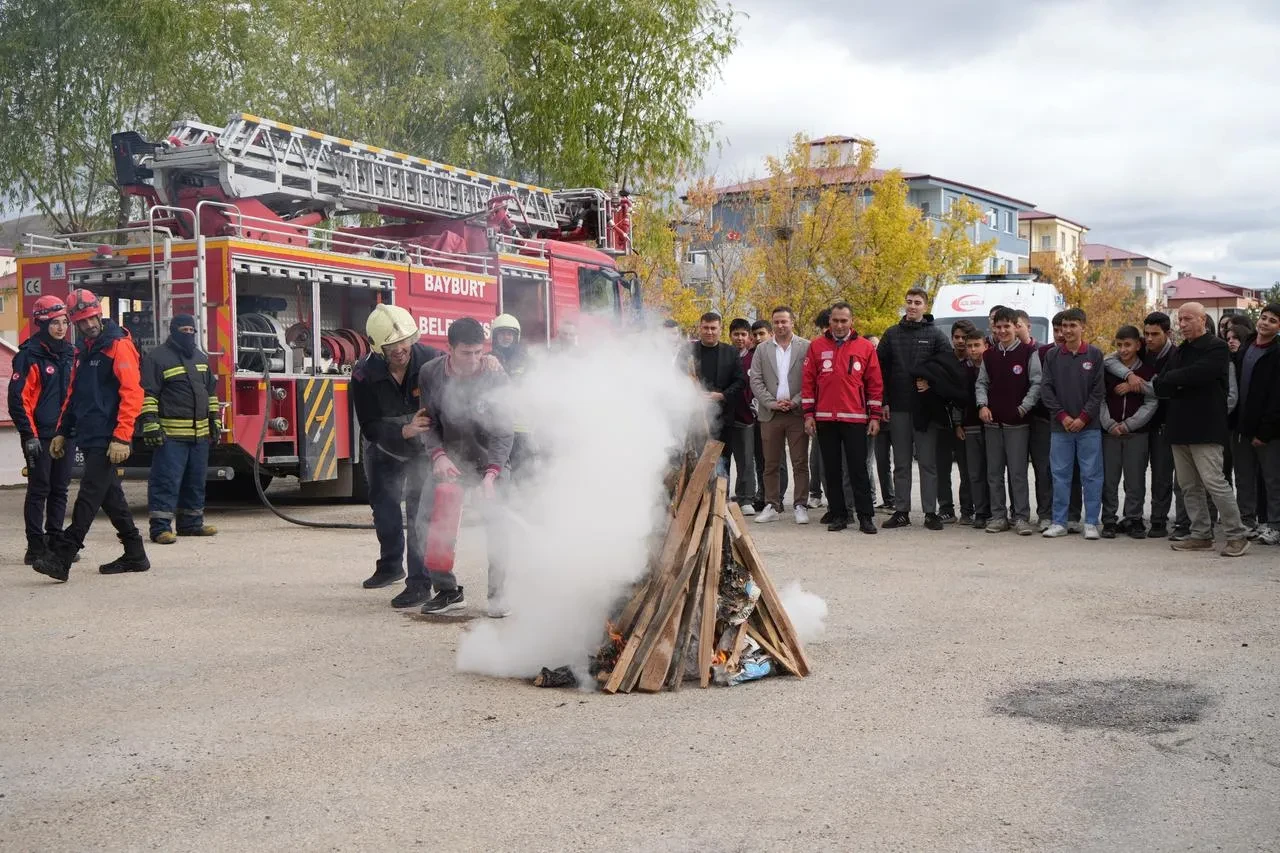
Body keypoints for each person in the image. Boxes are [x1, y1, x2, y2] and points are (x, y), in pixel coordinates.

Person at [33, 289, 150, 581]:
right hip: (90, 434)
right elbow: (74, 394)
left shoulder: (118, 345)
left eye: (91, 318)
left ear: (99, 313)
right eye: (81, 321)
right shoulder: (85, 350)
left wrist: (122, 437)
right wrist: (62, 431)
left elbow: (133, 393)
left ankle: (63, 555)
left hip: (109, 438)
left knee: (88, 495)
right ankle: (135, 553)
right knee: (110, 497)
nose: (88, 325)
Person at [418, 317, 515, 614]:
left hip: (490, 462)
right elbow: (427, 422)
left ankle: (497, 596)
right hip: (451, 462)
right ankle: (447, 591)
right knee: (428, 523)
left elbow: (504, 430)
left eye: (478, 352)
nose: (473, 360)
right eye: (466, 353)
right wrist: (438, 455)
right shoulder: (430, 373)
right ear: (449, 349)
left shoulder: (496, 377)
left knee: (499, 528)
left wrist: (492, 475)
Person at [351, 303, 444, 602]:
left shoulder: (433, 360)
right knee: (385, 509)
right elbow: (369, 427)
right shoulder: (363, 375)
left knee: (419, 513)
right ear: (378, 347)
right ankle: (390, 566)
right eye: (391, 345)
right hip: (383, 448)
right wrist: (404, 430)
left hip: (423, 450)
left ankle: (419, 583)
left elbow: (460, 379)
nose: (400, 350)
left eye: (404, 341)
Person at [1153, 302, 1249, 556]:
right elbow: (1160, 384)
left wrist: (1177, 380)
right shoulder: (1180, 350)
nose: (1182, 324)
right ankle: (1201, 534)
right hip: (1178, 427)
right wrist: (1180, 380)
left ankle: (1237, 535)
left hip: (1206, 427)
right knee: (1188, 486)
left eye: (1188, 319)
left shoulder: (1217, 347)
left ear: (1202, 320)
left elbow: (1200, 373)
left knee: (1214, 482)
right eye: (1180, 319)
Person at [139, 314, 220, 544]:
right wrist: (151, 424)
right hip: (171, 436)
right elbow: (148, 394)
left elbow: (210, 393)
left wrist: (214, 419)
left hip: (199, 435)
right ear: (173, 331)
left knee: (195, 482)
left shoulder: (201, 358)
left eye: (191, 330)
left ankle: (191, 524)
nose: (189, 334)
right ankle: (160, 529)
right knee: (166, 482)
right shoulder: (157, 358)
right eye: (184, 330)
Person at [802, 302, 882, 534]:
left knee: (858, 470)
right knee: (831, 470)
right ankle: (839, 515)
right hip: (825, 418)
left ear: (851, 321)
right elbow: (808, 382)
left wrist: (875, 416)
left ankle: (865, 516)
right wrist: (809, 415)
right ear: (829, 321)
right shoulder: (816, 346)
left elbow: (875, 383)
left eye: (843, 321)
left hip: (855, 418)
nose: (839, 325)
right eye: (835, 320)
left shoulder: (865, 347)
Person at [877, 287, 951, 530]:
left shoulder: (936, 335)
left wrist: (931, 382)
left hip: (925, 409)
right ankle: (901, 511)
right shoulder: (891, 334)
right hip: (898, 407)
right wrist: (883, 401)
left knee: (928, 462)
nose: (912, 306)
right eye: (909, 301)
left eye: (917, 302)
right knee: (901, 463)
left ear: (925, 306)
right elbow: (879, 371)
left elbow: (948, 367)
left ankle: (930, 512)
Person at [9, 296, 73, 565]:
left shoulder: (70, 353)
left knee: (60, 489)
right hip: (40, 435)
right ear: (42, 323)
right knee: (39, 489)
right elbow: (18, 399)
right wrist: (29, 435)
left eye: (64, 322)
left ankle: (55, 540)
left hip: (64, 434)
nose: (61, 328)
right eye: (54, 323)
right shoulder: (29, 356)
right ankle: (35, 547)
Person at [1106, 311, 1178, 537]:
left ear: (1167, 333)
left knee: (1155, 476)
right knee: (1116, 478)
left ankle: (1149, 520)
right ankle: (1114, 518)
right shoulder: (1137, 352)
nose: (1149, 338)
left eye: (1154, 334)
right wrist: (1129, 375)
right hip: (1124, 429)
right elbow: (1108, 361)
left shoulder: (1174, 356)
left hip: (1156, 425)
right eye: (1146, 334)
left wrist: (1135, 385)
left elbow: (1159, 391)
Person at [975, 306, 1042, 535]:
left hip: (1018, 423)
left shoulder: (1028, 353)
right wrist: (982, 405)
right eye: (998, 327)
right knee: (994, 473)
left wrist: (1023, 408)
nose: (1002, 331)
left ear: (1016, 327)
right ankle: (998, 516)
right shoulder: (989, 355)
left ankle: (1021, 517)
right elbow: (981, 383)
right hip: (992, 423)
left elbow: (1037, 383)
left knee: (1017, 473)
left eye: (1007, 326)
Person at [1039, 307, 1104, 540]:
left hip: (1089, 428)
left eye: (1072, 325)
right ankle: (1059, 521)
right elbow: (1046, 390)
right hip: (1061, 428)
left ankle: (1091, 522)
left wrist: (1083, 418)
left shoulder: (1095, 355)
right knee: (1060, 475)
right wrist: (1063, 417)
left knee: (1091, 476)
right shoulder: (1052, 356)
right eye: (1064, 326)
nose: (1067, 330)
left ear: (1082, 327)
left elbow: (1098, 391)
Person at [750, 306, 810, 525]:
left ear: (792, 322)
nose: (780, 325)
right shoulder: (762, 349)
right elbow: (756, 379)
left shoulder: (806, 346)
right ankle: (772, 505)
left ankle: (800, 505)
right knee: (771, 463)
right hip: (770, 414)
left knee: (800, 461)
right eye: (776, 322)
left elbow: (811, 379)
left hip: (796, 413)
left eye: (784, 321)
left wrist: (795, 400)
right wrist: (771, 402)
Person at [1099, 325, 1157, 539]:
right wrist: (1109, 424)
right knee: (1109, 479)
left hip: (1136, 434)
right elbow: (1100, 399)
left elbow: (1152, 402)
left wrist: (1129, 424)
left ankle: (1134, 518)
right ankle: (1109, 519)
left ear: (1138, 345)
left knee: (1135, 479)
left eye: (1128, 345)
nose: (1123, 349)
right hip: (1110, 434)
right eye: (1119, 345)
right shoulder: (1107, 369)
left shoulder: (1148, 371)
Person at [1230, 303, 1280, 545]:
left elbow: (1276, 398)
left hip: (1267, 431)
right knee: (1243, 477)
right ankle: (1247, 522)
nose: (1265, 323)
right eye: (1264, 317)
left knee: (1272, 479)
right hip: (1241, 426)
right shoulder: (1247, 346)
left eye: (1273, 320)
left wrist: (1266, 430)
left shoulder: (1277, 353)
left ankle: (1275, 525)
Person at [1030, 312, 1082, 531]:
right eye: (1057, 330)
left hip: (1075, 422)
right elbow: (1040, 387)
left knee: (1073, 469)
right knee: (1045, 470)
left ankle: (1072, 515)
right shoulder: (1042, 353)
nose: (1062, 334)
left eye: (1065, 329)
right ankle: (1045, 514)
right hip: (1045, 420)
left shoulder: (1083, 353)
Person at [687, 312, 745, 476]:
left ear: (720, 329)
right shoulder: (688, 351)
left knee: (722, 464)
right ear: (700, 328)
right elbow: (677, 378)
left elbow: (740, 381)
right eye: (705, 328)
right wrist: (693, 394)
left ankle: (721, 491)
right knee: (697, 464)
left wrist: (722, 395)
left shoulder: (731, 352)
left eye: (713, 328)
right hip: (695, 418)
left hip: (723, 418)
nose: (709, 332)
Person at [939, 320, 977, 524]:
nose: (961, 341)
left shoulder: (976, 363)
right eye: (957, 337)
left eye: (964, 337)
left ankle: (967, 510)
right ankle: (946, 508)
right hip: (943, 422)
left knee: (967, 469)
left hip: (967, 423)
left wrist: (960, 423)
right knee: (943, 468)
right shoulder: (944, 360)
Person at [490, 313, 535, 481]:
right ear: (495, 336)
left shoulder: (528, 361)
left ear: (516, 336)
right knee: (499, 477)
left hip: (522, 430)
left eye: (510, 333)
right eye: (502, 333)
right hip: (496, 429)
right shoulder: (487, 359)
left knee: (523, 478)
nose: (506, 337)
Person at [749, 319, 787, 510]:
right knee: (761, 459)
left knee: (778, 459)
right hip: (756, 415)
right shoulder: (750, 355)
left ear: (770, 334)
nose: (758, 338)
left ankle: (778, 498)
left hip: (778, 411)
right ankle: (763, 494)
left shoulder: (779, 354)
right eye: (755, 335)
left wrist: (773, 403)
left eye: (762, 334)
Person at [956, 328, 990, 528]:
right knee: (974, 472)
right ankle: (980, 512)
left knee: (993, 472)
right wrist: (957, 424)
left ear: (986, 345)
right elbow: (957, 400)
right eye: (970, 346)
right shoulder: (962, 370)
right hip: (970, 426)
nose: (973, 349)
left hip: (992, 425)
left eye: (977, 345)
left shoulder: (993, 365)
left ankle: (997, 511)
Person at [727, 318, 758, 513]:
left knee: (746, 459)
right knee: (722, 459)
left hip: (746, 416)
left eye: (743, 334)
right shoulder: (725, 355)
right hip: (724, 417)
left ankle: (746, 498)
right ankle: (722, 496)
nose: (739, 338)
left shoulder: (754, 358)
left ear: (749, 337)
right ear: (730, 336)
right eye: (736, 334)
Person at [866, 333, 894, 511]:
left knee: (899, 464)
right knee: (880, 462)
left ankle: (896, 501)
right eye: (871, 346)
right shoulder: (866, 368)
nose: (874, 349)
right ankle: (886, 499)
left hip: (894, 418)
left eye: (876, 346)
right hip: (876, 422)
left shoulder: (889, 365)